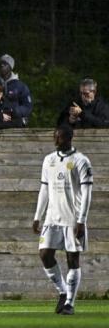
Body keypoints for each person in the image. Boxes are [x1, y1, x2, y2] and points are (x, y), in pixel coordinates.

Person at [33, 125, 93, 315]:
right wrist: (37, 216)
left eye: (59, 138)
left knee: (72, 259)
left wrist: (81, 220)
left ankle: (69, 303)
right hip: (52, 218)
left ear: (69, 138)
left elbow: (86, 193)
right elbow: (44, 189)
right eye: (54, 137)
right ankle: (62, 291)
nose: (56, 141)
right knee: (44, 254)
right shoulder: (48, 160)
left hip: (72, 218)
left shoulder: (81, 161)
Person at [0, 54, 32, 123]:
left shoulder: (20, 86)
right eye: (0, 63)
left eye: (5, 63)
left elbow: (27, 107)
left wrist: (13, 111)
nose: (2, 65)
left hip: (14, 124)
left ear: (11, 67)